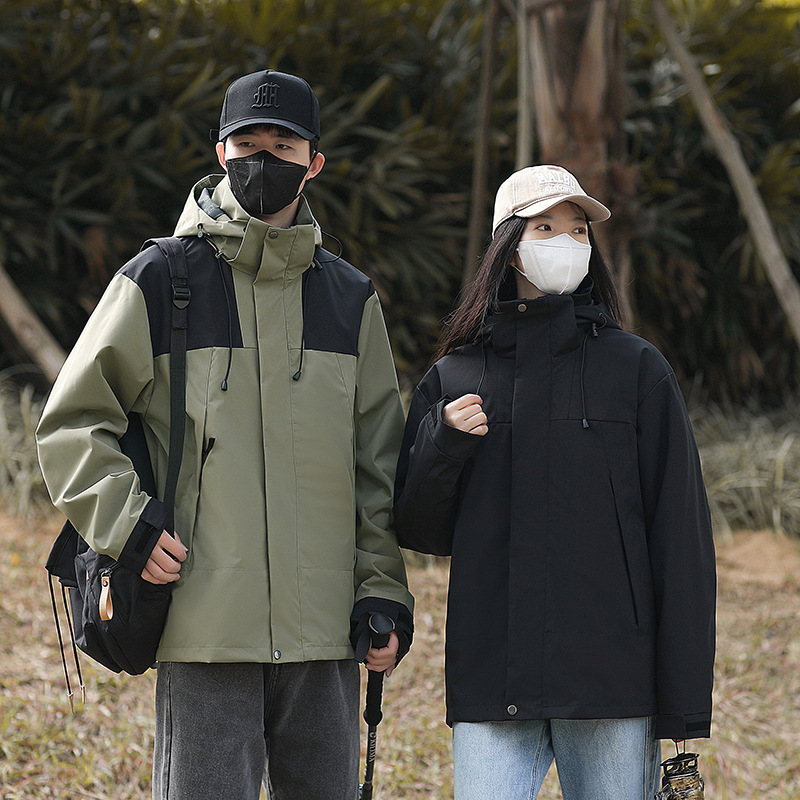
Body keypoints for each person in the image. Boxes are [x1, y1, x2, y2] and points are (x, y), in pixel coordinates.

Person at [36, 68, 413, 800]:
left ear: (315, 162)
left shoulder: (350, 298)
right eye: (248, 145)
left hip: (326, 634)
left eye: (283, 147)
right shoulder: (158, 280)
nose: (263, 161)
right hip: (203, 626)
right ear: (220, 153)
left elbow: (377, 466)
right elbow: (73, 423)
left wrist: (382, 590)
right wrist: (129, 528)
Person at [393, 165, 715, 800]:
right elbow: (420, 531)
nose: (566, 243)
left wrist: (682, 711)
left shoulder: (637, 371)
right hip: (493, 684)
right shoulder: (455, 376)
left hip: (611, 687)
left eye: (578, 230)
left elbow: (681, 544)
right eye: (545, 228)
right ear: (508, 248)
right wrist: (443, 444)